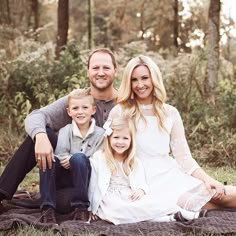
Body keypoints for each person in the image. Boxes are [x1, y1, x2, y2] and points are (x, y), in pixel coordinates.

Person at [108, 55, 236, 220]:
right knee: (191, 203)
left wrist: (207, 179)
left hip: (169, 176)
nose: (140, 85)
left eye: (145, 78)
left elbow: (183, 157)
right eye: (134, 80)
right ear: (129, 82)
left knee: (222, 195)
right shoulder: (120, 112)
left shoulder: (169, 112)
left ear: (154, 78)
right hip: (139, 180)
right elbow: (109, 152)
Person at [0, 48, 118, 212]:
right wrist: (40, 137)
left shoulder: (124, 104)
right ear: (88, 71)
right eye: (95, 68)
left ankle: (46, 201)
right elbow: (36, 116)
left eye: (106, 68)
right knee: (43, 133)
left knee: (64, 204)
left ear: (115, 71)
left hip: (97, 177)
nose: (101, 73)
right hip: (67, 168)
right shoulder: (79, 100)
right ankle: (2, 193)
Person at [88, 116, 206, 225]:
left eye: (125, 138)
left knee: (148, 204)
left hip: (129, 194)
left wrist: (141, 190)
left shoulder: (133, 161)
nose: (120, 142)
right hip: (109, 199)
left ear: (131, 141)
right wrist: (91, 208)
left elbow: (140, 181)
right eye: (116, 137)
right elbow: (92, 185)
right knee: (120, 210)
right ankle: (169, 218)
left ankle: (182, 213)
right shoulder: (100, 158)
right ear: (109, 139)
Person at [39, 88, 104, 224]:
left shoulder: (100, 134)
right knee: (49, 160)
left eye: (85, 107)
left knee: (79, 158)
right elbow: (60, 153)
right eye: (75, 108)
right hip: (64, 177)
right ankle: (47, 209)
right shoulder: (65, 130)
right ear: (69, 112)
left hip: (84, 178)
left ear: (93, 110)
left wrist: (76, 158)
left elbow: (99, 159)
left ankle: (81, 209)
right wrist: (67, 159)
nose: (80, 112)